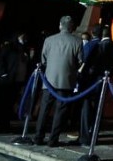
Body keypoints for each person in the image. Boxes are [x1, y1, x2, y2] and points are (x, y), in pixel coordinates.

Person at [34, 15, 83, 147]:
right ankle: (53, 139)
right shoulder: (77, 41)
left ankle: (38, 137)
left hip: (49, 80)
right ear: (72, 27)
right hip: (66, 81)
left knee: (44, 109)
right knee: (60, 111)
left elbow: (43, 59)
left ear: (60, 25)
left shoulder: (49, 40)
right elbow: (80, 61)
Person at [79, 24, 113, 145]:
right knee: (98, 109)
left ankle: (85, 137)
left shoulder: (99, 46)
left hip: (93, 82)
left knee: (87, 109)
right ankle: (94, 135)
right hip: (105, 82)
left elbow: (90, 65)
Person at [0, 30, 32, 133]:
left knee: (10, 102)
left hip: (17, 80)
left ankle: (5, 123)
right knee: (1, 102)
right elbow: (1, 60)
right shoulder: (10, 46)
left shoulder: (25, 48)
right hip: (7, 79)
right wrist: (3, 74)